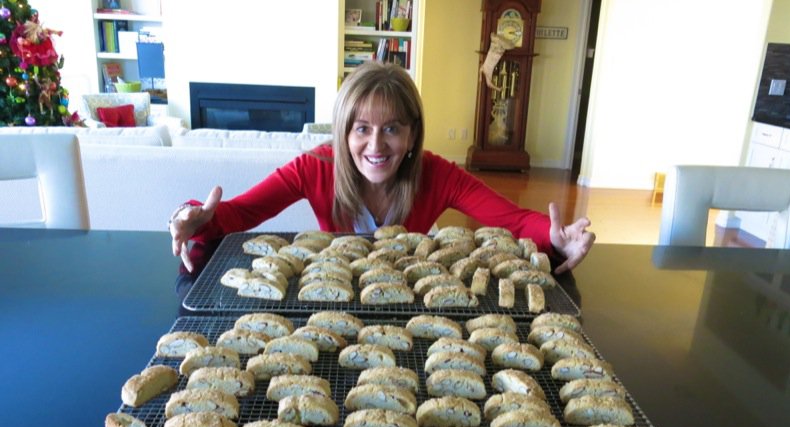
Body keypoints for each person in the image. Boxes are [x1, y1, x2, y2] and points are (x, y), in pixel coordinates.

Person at [169, 62, 595, 274]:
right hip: (332, 296)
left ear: (412, 134)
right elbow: (238, 214)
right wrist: (193, 216)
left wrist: (556, 239)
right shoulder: (313, 167)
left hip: (408, 299)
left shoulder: (437, 173)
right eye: (361, 129)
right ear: (343, 133)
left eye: (391, 128)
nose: (376, 145)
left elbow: (515, 220)